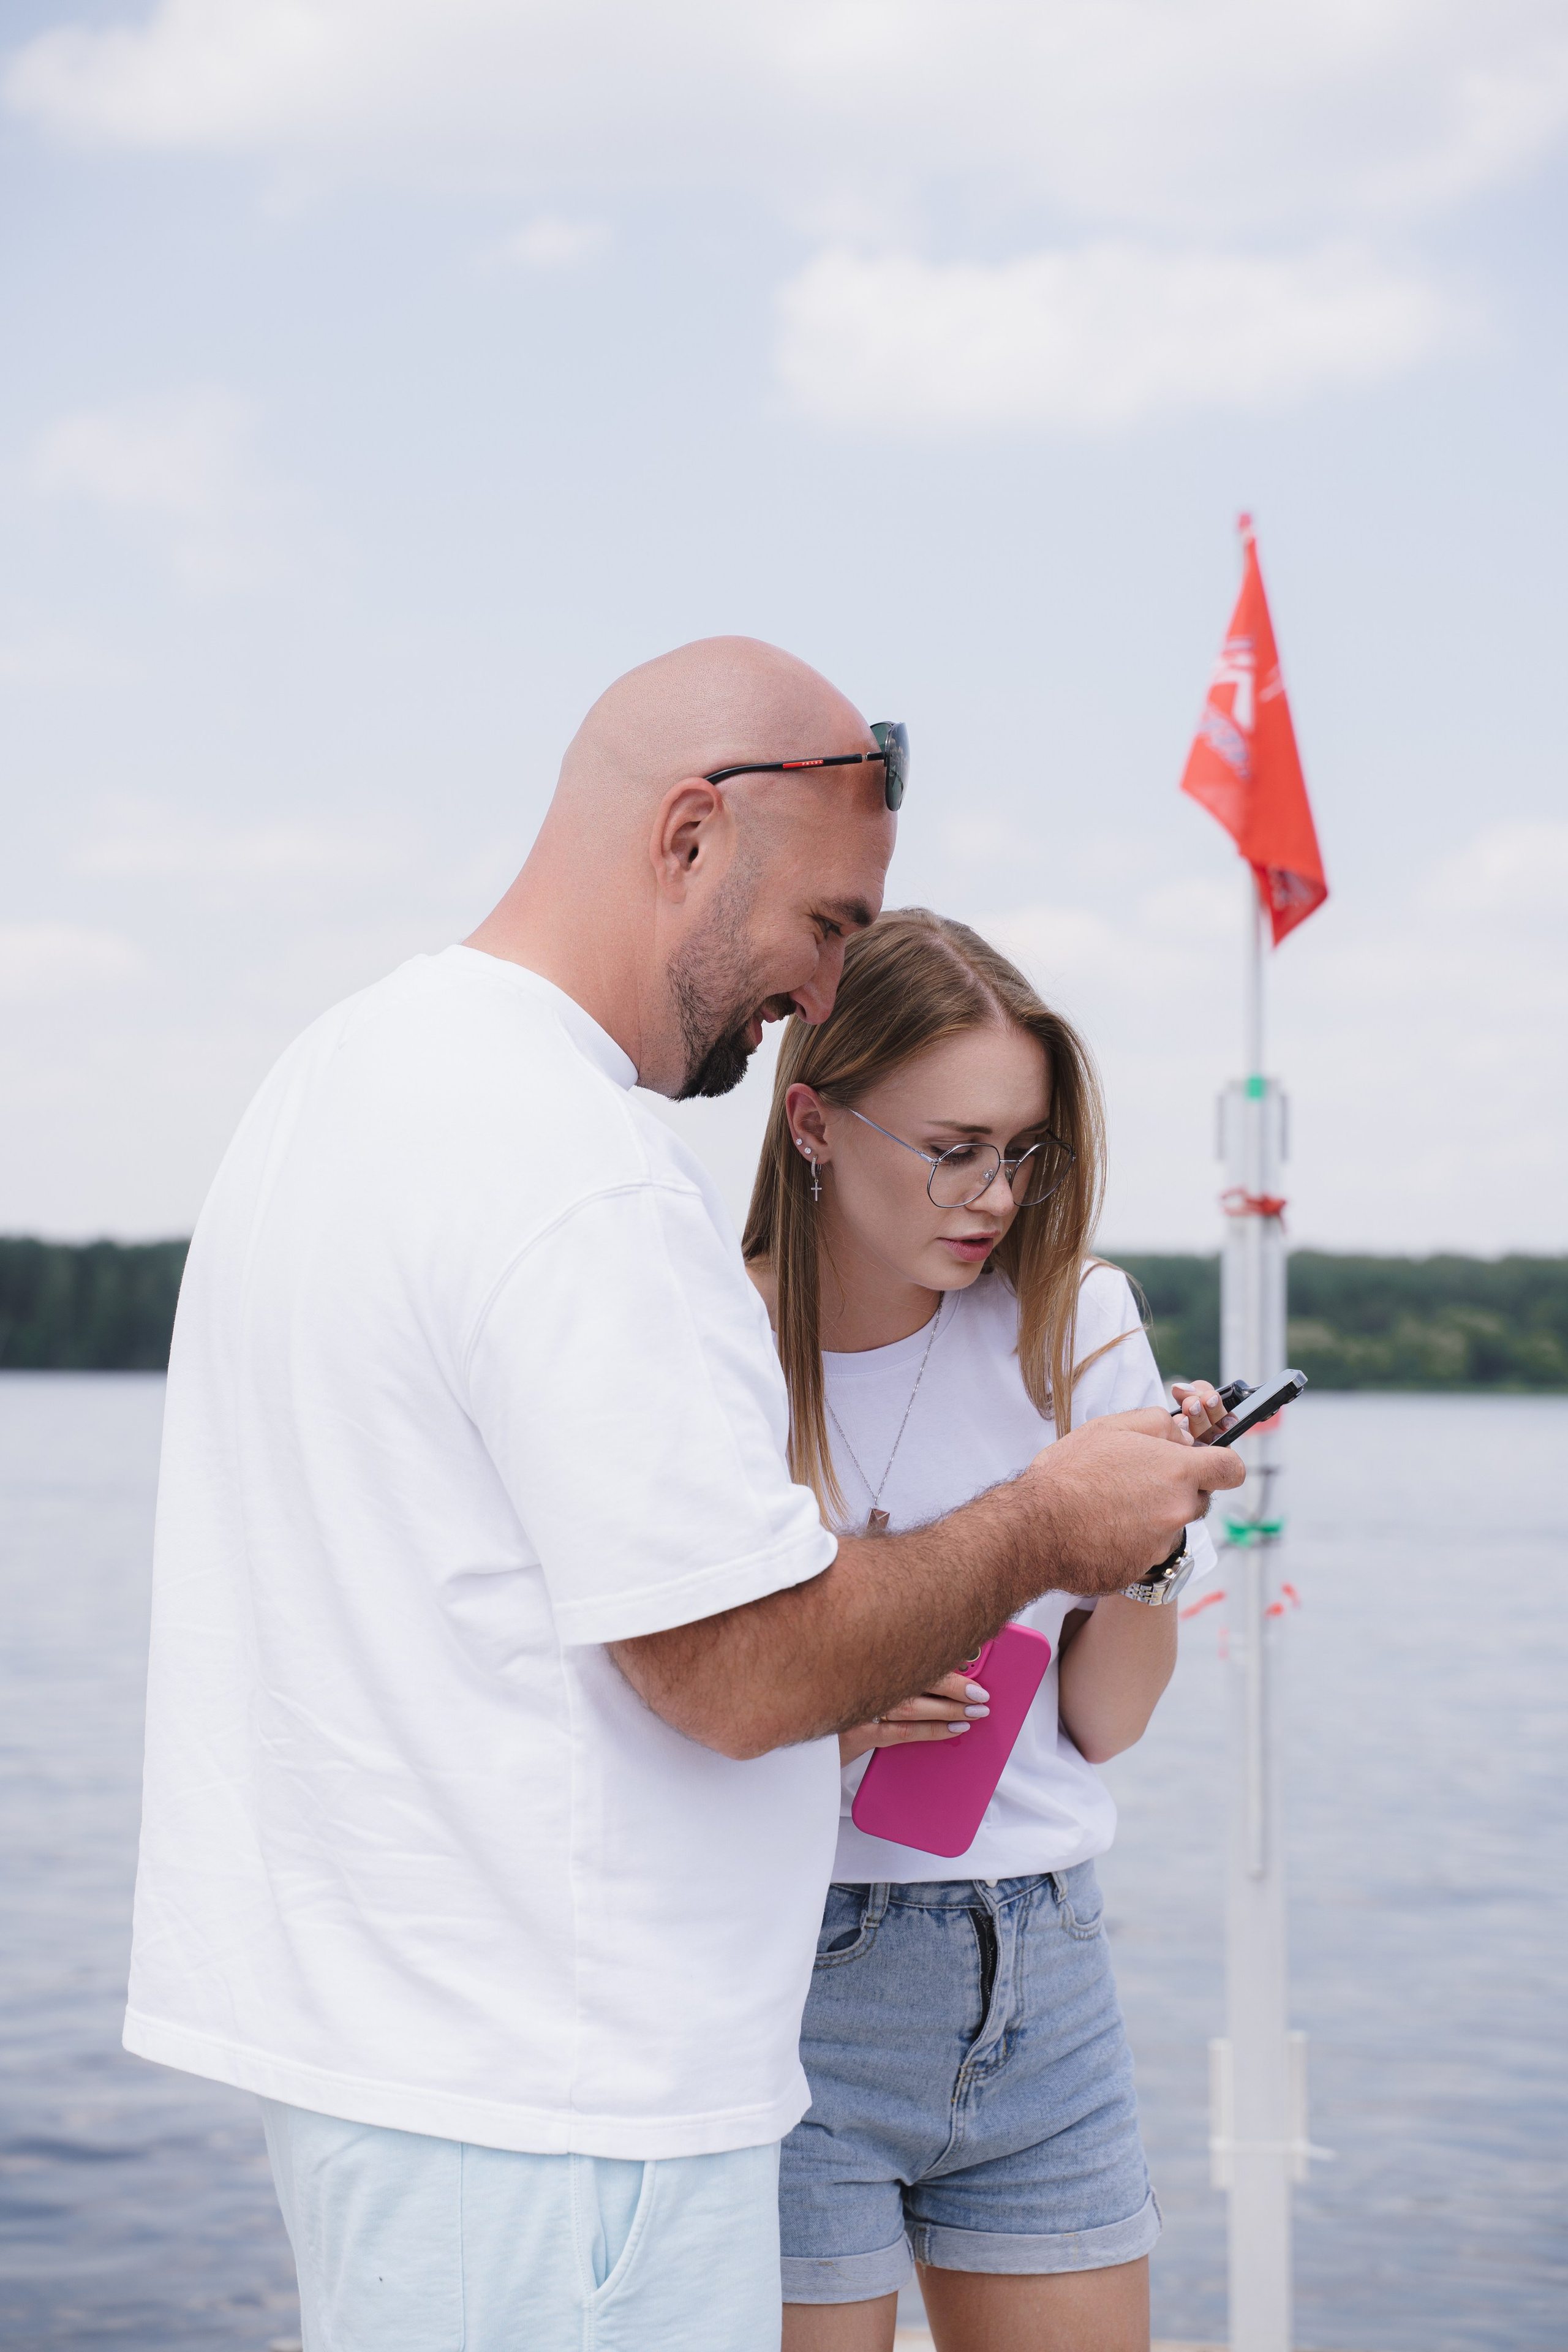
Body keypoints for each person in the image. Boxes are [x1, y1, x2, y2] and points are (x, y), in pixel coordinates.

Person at [124, 638, 1242, 2352]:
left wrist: (1121, 1559)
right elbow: (732, 1674)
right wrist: (1041, 1527)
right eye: (827, 929)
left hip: (407, 2065)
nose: (815, 986)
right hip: (563, 2117)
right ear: (692, 837)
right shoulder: (580, 1177)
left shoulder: (344, 1077)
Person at [742, 910, 1223, 2352]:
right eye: (952, 1146)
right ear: (813, 1121)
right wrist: (824, 1717)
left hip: (1046, 1972)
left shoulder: (1075, 1322)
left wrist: (1149, 1546)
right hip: (785, 1976)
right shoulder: (708, 1339)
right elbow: (652, 1717)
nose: (993, 1195)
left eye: (1022, 1151)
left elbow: (1102, 1724)